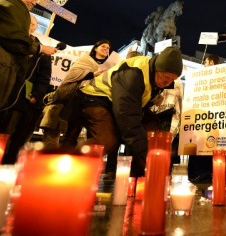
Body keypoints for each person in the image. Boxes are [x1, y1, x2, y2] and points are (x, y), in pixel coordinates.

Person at [77, 46, 183, 177]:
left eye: (172, 80)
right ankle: (67, 165)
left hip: (115, 103)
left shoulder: (154, 76)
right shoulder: (133, 74)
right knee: (107, 140)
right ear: (157, 68)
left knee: (151, 125)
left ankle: (138, 179)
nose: (168, 83)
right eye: (166, 77)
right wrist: (149, 159)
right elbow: (128, 120)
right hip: (95, 98)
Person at [0, 0, 52, 131]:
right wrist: (40, 49)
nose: (34, 3)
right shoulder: (9, 7)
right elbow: (17, 40)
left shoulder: (8, 7)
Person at [0, 14, 53, 164]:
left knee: (18, 139)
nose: (29, 25)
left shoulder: (43, 51)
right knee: (1, 135)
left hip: (25, 99)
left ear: (34, 27)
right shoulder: (9, 41)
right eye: (26, 22)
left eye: (31, 24)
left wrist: (37, 95)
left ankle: (8, 166)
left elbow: (44, 76)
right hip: (5, 96)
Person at [40, 39, 111, 149]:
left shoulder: (109, 67)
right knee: (65, 134)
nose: (106, 49)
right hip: (73, 100)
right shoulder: (86, 60)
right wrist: (92, 74)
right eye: (103, 46)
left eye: (108, 48)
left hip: (92, 103)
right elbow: (72, 75)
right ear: (95, 48)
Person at [188, 54, 226, 183]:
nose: (204, 65)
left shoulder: (211, 78)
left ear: (212, 63)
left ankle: (203, 172)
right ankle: (219, 172)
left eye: (206, 62)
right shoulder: (224, 78)